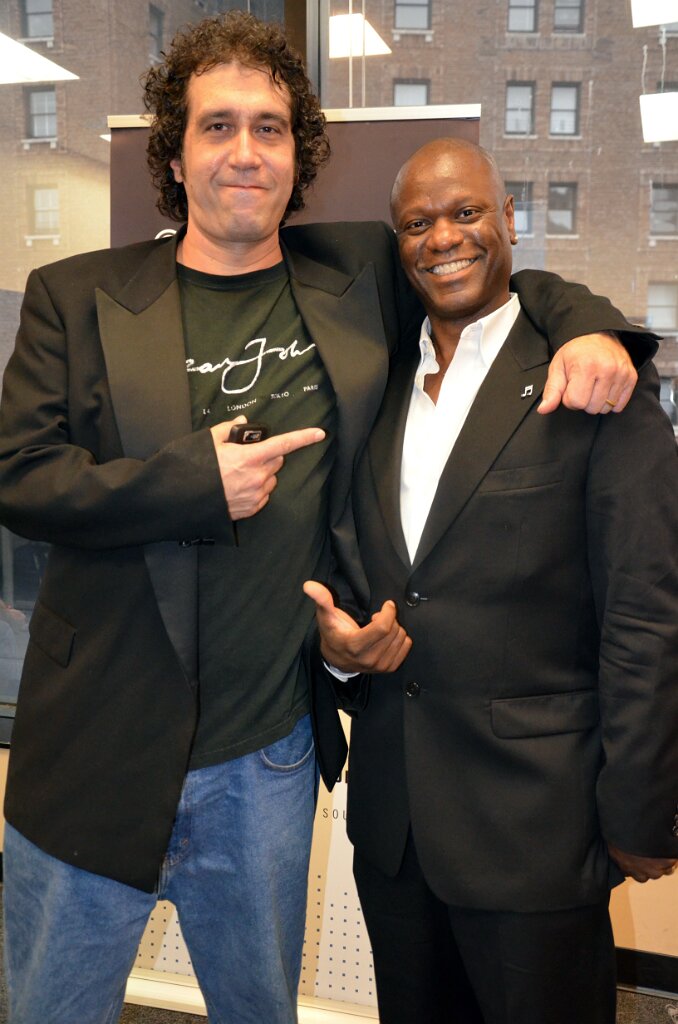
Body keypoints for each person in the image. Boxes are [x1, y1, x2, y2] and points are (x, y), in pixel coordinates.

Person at [0, 11, 658, 1023]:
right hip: (93, 752)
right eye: (218, 126)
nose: (245, 152)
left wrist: (592, 328)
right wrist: (193, 483)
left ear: (297, 153)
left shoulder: (354, 277)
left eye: (269, 127)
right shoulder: (75, 295)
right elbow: (20, 476)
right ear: (174, 153)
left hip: (264, 762)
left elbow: (484, 266)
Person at [304, 138, 678, 1024]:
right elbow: (357, 566)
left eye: (466, 212)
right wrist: (340, 650)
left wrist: (642, 807)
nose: (443, 238)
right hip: (396, 833)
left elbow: (646, 616)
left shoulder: (590, 380)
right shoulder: (373, 386)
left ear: (509, 219)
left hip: (535, 831)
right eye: (417, 224)